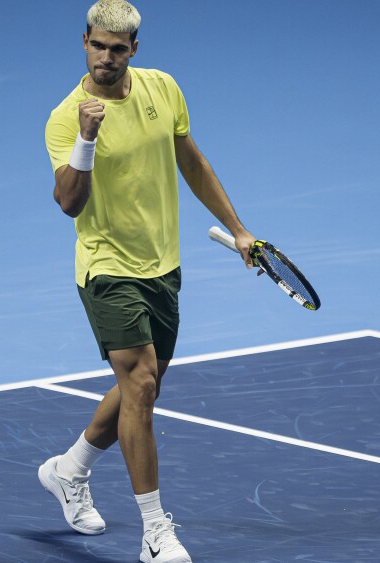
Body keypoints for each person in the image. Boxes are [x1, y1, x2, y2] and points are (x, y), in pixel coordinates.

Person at [39, 1, 255, 561]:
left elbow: (191, 161)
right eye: (97, 46)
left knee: (147, 382)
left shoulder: (163, 89)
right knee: (139, 387)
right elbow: (68, 202)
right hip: (107, 267)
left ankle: (70, 470)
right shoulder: (66, 117)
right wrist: (87, 138)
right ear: (83, 42)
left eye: (117, 49)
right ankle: (157, 532)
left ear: (134, 49)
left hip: (162, 264)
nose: (105, 57)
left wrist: (238, 230)